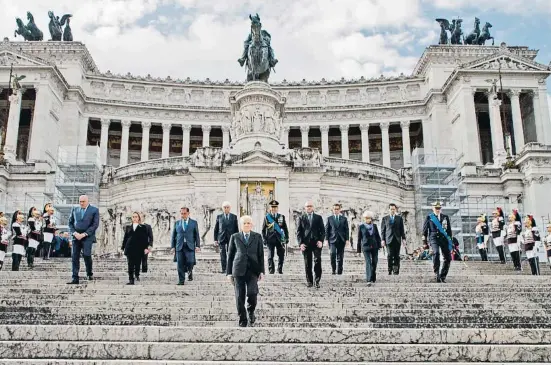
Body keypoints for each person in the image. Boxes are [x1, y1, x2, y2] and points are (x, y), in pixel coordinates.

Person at [226, 215, 265, 327]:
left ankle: (251, 310)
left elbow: (261, 255)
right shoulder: (235, 237)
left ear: (252, 224)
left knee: (252, 293)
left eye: (249, 223)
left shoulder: (257, 237)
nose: (247, 225)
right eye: (245, 223)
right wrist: (229, 273)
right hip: (238, 269)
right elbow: (230, 255)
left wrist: (262, 271)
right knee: (239, 296)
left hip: (253, 269)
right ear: (241, 225)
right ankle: (242, 318)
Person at [67, 195, 100, 284]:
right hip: (76, 236)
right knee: (75, 256)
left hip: (87, 237)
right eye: (80, 201)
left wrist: (84, 234)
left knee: (87, 255)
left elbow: (95, 224)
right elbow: (70, 223)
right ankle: (75, 278)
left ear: (87, 201)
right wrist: (74, 233)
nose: (81, 203)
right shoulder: (75, 209)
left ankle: (89, 273)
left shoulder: (94, 210)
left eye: (83, 201)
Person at [296, 201, 325, 288]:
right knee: (307, 263)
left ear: (313, 207)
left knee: (317, 261)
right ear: (305, 208)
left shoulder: (318, 217)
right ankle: (309, 281)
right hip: (306, 244)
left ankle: (317, 281)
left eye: (310, 206)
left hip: (316, 243)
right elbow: (298, 232)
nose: (308, 208)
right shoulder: (301, 218)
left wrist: (321, 241)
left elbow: (322, 231)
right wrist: (300, 244)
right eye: (307, 206)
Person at [422, 201, 453, 283]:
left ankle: (443, 276)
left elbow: (449, 231)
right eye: (436, 208)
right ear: (433, 208)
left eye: (439, 208)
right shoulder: (429, 217)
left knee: (448, 258)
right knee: (436, 253)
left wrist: (451, 242)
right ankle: (436, 273)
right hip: (434, 238)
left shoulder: (445, 217)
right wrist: (424, 242)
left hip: (444, 239)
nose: (438, 209)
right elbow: (424, 231)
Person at [171, 207, 201, 285]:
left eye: (184, 213)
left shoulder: (194, 223)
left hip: (190, 246)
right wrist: (172, 247)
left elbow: (196, 235)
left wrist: (198, 245)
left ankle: (189, 271)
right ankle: (181, 280)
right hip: (179, 246)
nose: (183, 215)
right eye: (181, 213)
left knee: (190, 262)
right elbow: (173, 235)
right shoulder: (177, 223)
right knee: (180, 263)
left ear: (188, 213)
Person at [122, 212, 151, 285]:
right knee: (130, 264)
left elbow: (145, 238)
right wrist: (123, 247)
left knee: (137, 263)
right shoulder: (128, 227)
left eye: (136, 217)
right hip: (130, 248)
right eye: (133, 217)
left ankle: (137, 274)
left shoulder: (143, 227)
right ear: (131, 218)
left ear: (139, 218)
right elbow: (125, 238)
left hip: (139, 248)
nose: (134, 218)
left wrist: (146, 248)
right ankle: (131, 280)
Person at [261, 200, 289, 274]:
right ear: (270, 208)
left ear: (277, 208)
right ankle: (271, 271)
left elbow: (285, 228)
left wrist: (287, 238)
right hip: (270, 239)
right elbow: (263, 229)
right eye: (272, 207)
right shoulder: (267, 217)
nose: (274, 209)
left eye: (275, 207)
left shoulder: (281, 217)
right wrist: (264, 239)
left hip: (280, 239)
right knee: (270, 256)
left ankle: (279, 270)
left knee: (281, 255)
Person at [380, 203, 406, 275]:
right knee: (390, 255)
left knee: (397, 255)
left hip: (397, 239)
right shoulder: (385, 218)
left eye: (394, 209)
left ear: (395, 209)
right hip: (388, 239)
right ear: (389, 210)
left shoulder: (399, 218)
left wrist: (403, 239)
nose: (392, 210)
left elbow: (402, 230)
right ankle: (390, 269)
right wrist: (382, 240)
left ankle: (396, 270)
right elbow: (383, 230)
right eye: (391, 209)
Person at [214, 201, 239, 273]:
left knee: (231, 253)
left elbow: (236, 229)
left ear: (230, 208)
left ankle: (230, 269)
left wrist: (237, 239)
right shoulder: (219, 217)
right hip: (221, 237)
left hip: (231, 238)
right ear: (223, 208)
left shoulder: (234, 217)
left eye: (227, 207)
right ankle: (224, 269)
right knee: (222, 253)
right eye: (224, 207)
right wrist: (215, 239)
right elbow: (216, 229)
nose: (226, 209)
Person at [357, 210, 381, 286]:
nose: (368, 219)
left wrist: (379, 245)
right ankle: (368, 279)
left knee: (375, 262)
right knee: (368, 262)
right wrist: (358, 250)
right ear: (364, 218)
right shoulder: (361, 227)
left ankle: (373, 275)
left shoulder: (374, 226)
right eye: (366, 218)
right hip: (365, 247)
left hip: (374, 246)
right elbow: (359, 239)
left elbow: (377, 236)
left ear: (371, 218)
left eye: (369, 218)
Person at [325, 203, 350, 275]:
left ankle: (339, 271)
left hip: (341, 239)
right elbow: (327, 229)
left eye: (337, 209)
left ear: (340, 210)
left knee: (340, 256)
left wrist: (347, 240)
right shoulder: (329, 218)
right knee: (332, 254)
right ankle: (333, 269)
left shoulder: (344, 219)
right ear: (333, 210)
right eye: (334, 209)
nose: (336, 210)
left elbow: (346, 230)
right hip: (332, 240)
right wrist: (326, 240)